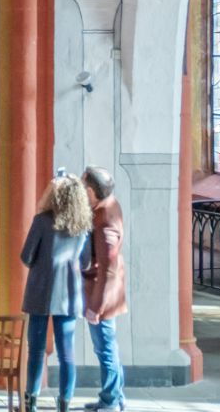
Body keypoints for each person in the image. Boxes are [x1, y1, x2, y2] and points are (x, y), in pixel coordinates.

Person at [21, 173, 93, 412]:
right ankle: (64, 403)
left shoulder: (42, 221)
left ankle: (30, 402)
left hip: (41, 291)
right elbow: (84, 263)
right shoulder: (82, 227)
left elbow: (26, 256)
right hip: (69, 295)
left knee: (36, 349)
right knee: (66, 353)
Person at [82, 166, 127, 412]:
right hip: (104, 290)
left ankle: (111, 402)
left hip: (104, 295)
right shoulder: (106, 205)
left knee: (105, 348)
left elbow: (107, 269)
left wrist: (96, 307)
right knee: (107, 346)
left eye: (82, 186)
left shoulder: (105, 216)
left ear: (91, 190)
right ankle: (114, 396)